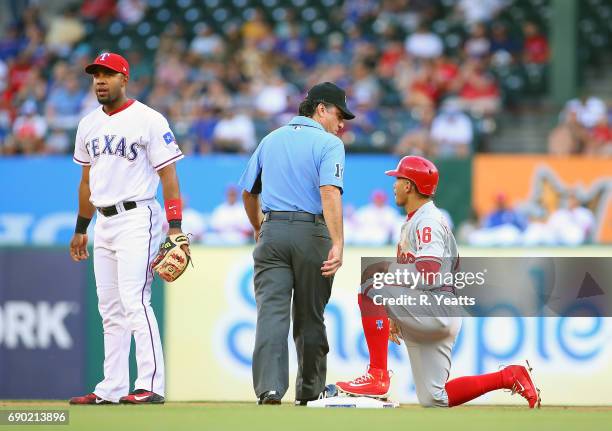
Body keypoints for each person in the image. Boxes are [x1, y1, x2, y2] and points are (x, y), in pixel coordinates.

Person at [335, 156, 540, 409]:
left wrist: (385, 272)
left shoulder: (428, 220)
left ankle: (377, 374)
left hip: (436, 305)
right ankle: (509, 377)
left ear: (409, 186)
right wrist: (396, 309)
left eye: (398, 179)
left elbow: (429, 272)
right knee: (435, 398)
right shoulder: (417, 219)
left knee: (370, 283)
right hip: (437, 307)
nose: (394, 185)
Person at [68, 52, 189, 405]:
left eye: (108, 74)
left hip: (138, 215)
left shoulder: (148, 119)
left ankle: (150, 384)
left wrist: (175, 225)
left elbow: (169, 175)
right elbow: (86, 181)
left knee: (134, 300)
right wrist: (81, 227)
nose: (100, 80)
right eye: (96, 75)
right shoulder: (88, 124)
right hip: (102, 220)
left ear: (125, 79)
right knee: (109, 307)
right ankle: (112, 386)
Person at [239, 82, 354, 405]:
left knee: (271, 314)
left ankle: (270, 389)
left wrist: (259, 227)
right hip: (312, 234)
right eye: (338, 114)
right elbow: (329, 192)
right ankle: (310, 390)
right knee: (310, 316)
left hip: (273, 231)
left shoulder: (270, 139)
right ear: (320, 109)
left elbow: (249, 192)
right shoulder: (330, 144)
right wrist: (338, 242)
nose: (341, 123)